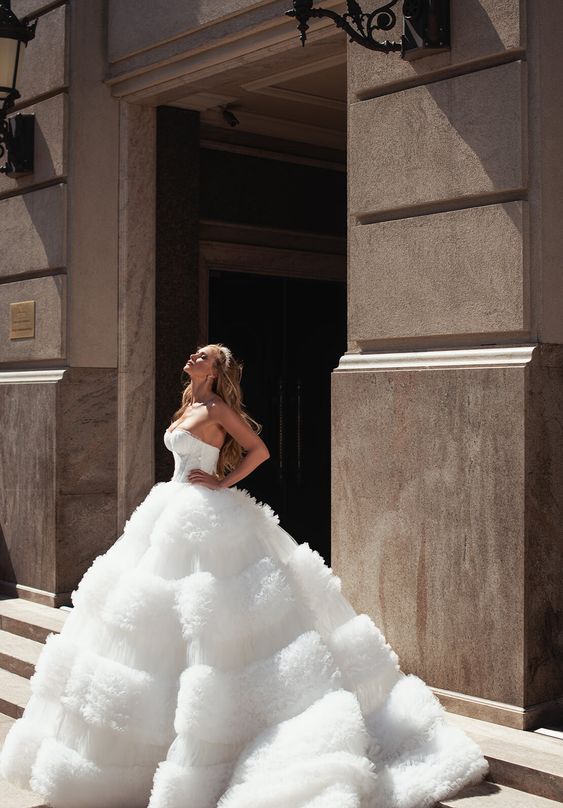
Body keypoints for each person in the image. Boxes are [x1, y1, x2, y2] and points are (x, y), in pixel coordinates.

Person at [0, 343, 488, 808]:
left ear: (215, 371)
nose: (194, 356)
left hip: (204, 513)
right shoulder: (190, 403)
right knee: (150, 621)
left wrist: (222, 481)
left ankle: (214, 743)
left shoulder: (216, 409)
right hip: (168, 510)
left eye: (205, 356)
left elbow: (258, 450)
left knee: (208, 619)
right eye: (197, 352)